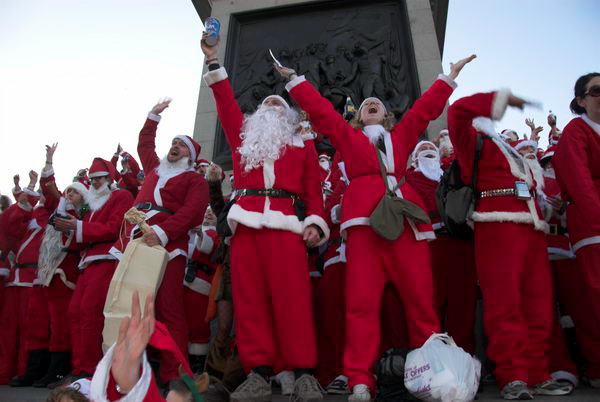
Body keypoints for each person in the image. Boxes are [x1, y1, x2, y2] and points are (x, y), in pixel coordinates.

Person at [282, 52, 475, 400]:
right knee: (361, 303)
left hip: (405, 221)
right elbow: (322, 111)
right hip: (362, 225)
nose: (372, 105)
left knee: (421, 302)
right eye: (366, 104)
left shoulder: (401, 137)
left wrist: (449, 77)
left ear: (387, 115)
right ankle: (359, 378)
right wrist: (295, 80)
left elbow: (425, 109)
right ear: (357, 118)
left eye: (377, 104)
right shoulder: (346, 136)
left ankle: (434, 375)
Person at [202, 35, 329, 402]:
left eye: (279, 104)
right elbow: (224, 101)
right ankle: (258, 373)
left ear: (289, 117)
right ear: (255, 117)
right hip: (246, 230)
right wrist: (213, 61)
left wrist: (315, 223)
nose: (272, 107)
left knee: (294, 302)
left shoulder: (302, 146)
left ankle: (304, 372)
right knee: (250, 303)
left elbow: (314, 192)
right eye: (266, 103)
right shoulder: (244, 139)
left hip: (287, 229)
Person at [447, 88, 572, 399]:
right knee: (505, 302)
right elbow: (458, 111)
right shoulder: (470, 141)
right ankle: (512, 375)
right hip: (496, 226)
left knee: (539, 304)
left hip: (532, 228)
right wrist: (500, 98)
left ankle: (538, 372)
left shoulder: (510, 148)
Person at [109, 99, 209, 385]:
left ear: (189, 155)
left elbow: (192, 213)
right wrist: (154, 116)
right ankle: (127, 375)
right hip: (137, 243)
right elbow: (144, 145)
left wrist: (163, 233)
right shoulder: (155, 168)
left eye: (181, 145)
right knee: (130, 307)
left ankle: (176, 375)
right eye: (173, 142)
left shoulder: (194, 180)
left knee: (168, 310)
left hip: (168, 248)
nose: (174, 146)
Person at [55, 158, 133, 380]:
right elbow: (81, 237)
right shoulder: (91, 206)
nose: (95, 183)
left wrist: (77, 226)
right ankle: (79, 367)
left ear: (110, 178)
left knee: (90, 313)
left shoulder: (121, 196)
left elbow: (114, 227)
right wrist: (68, 228)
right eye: (92, 180)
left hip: (106, 260)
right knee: (75, 313)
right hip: (87, 262)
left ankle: (90, 370)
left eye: (99, 178)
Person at [406, 140, 478, 354]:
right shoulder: (409, 179)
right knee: (431, 304)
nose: (427, 151)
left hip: (460, 244)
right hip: (429, 247)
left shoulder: (449, 176)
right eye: (422, 149)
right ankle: (431, 360)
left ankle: (464, 358)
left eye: (431, 149)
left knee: (463, 304)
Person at [553, 72, 600, 388]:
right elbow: (579, 182)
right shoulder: (576, 131)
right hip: (593, 225)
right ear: (581, 100)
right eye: (596, 90)